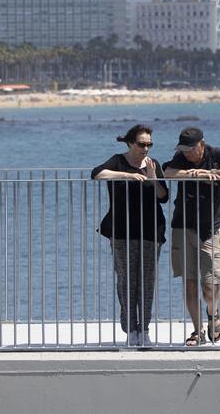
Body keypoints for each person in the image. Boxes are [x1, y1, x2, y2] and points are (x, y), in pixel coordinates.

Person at [162, 126, 220, 346]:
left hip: (211, 226)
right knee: (189, 282)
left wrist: (213, 173)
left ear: (202, 144)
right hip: (183, 225)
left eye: (190, 149)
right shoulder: (181, 157)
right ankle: (197, 331)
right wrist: (192, 174)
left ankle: (214, 313)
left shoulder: (216, 154)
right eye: (183, 149)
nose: (187, 154)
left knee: (210, 283)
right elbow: (168, 172)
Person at [91, 124, 169, 347]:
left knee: (146, 282)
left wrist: (153, 177)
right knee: (126, 281)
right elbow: (97, 174)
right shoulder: (118, 160)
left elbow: (163, 197)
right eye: (142, 144)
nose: (146, 148)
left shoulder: (154, 165)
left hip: (151, 232)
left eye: (149, 144)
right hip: (121, 232)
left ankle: (143, 330)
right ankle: (130, 329)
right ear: (130, 143)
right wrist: (127, 175)